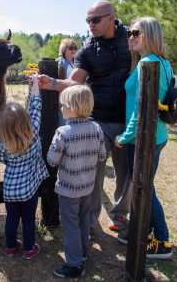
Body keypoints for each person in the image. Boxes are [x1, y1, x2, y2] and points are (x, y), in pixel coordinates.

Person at [39, 0, 131, 233]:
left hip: (126, 121)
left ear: (111, 18)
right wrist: (51, 83)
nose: (90, 24)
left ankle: (120, 217)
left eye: (95, 20)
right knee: (93, 175)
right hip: (97, 121)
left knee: (125, 173)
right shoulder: (89, 48)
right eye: (88, 20)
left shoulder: (130, 38)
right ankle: (89, 222)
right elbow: (75, 81)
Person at [114, 17, 173, 259]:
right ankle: (144, 230)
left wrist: (125, 137)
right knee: (144, 185)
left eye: (135, 33)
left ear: (148, 35)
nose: (130, 36)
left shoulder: (147, 63)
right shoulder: (162, 62)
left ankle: (162, 242)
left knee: (145, 187)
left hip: (143, 138)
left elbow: (142, 108)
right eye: (129, 32)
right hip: (155, 135)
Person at [47, 84, 106, 278]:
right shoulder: (97, 128)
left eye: (63, 105)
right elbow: (102, 155)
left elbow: (52, 160)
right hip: (88, 187)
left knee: (70, 225)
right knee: (83, 221)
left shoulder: (63, 133)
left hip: (68, 189)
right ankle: (81, 255)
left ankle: (73, 265)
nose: (61, 109)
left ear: (72, 107)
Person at [0, 75, 49, 260]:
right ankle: (29, 249)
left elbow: (1, 158)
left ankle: (11, 246)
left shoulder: (4, 144)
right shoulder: (33, 133)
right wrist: (35, 84)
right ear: (26, 121)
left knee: (11, 219)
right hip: (29, 190)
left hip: (10, 190)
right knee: (28, 220)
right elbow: (35, 107)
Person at [56, 38, 79, 126]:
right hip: (63, 100)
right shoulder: (60, 62)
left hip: (74, 100)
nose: (73, 50)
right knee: (63, 125)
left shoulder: (76, 63)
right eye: (70, 48)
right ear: (64, 49)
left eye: (75, 48)